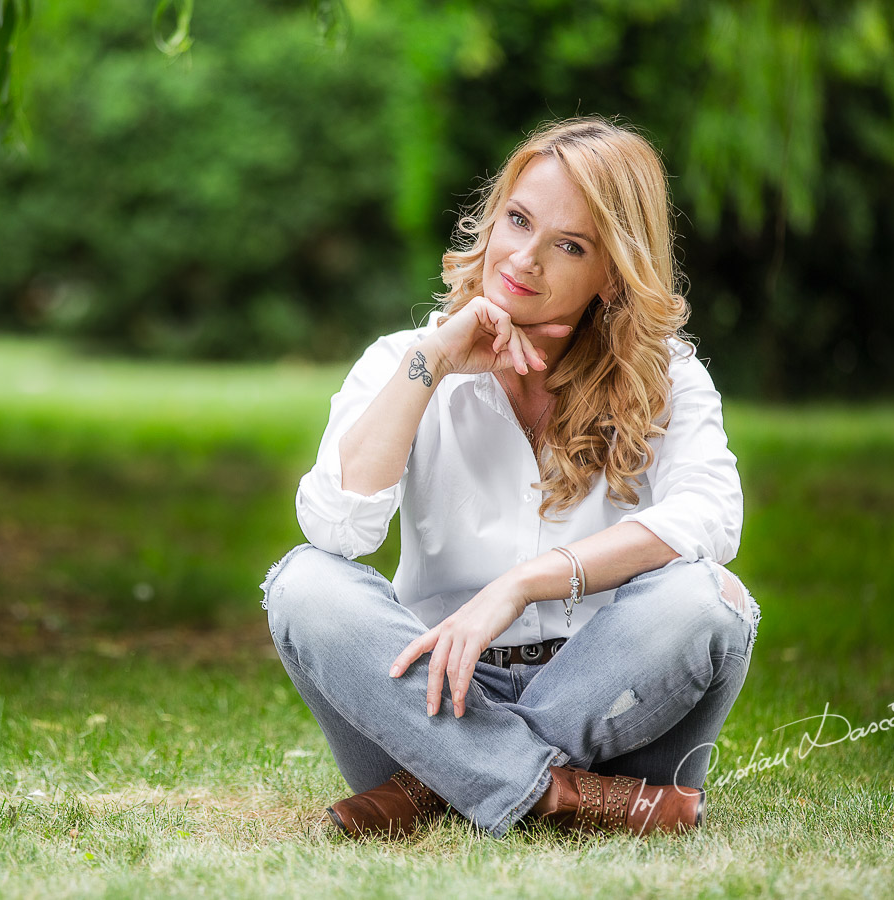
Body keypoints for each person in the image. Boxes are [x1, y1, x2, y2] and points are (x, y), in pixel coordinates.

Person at [261, 116, 762, 840]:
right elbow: (337, 528)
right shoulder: (408, 359)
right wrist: (430, 367)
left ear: (613, 272)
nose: (524, 259)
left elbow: (711, 518)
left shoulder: (669, 376)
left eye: (570, 245)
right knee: (304, 583)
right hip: (438, 694)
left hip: (612, 687)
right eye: (518, 220)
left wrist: (524, 583)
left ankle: (436, 787)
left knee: (710, 599)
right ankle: (564, 795)